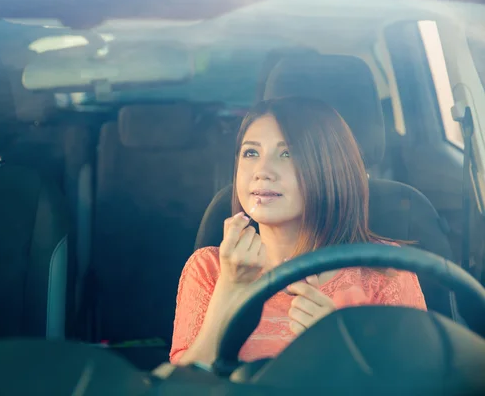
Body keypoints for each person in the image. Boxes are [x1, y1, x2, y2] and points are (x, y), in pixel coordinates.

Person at [170, 97, 426, 366]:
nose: (262, 171)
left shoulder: (385, 270)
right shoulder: (208, 269)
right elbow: (182, 386)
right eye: (251, 153)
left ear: (330, 170)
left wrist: (340, 349)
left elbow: (418, 383)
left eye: (287, 154)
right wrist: (230, 289)